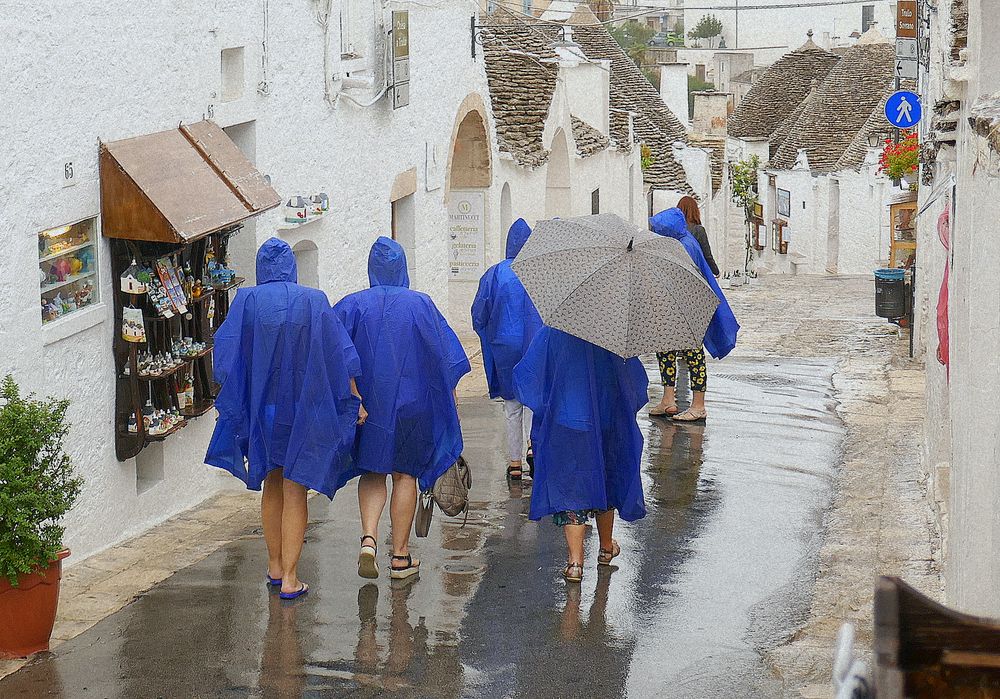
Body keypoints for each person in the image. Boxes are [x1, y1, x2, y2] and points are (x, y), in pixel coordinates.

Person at [206, 238, 364, 600]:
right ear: (292, 266)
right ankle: (292, 577)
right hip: (305, 409)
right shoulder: (314, 300)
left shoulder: (247, 301)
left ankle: (275, 565)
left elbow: (226, 354)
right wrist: (355, 397)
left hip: (265, 410)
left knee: (272, 482)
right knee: (297, 488)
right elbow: (340, 353)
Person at [333, 237, 471, 580]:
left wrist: (354, 399)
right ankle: (400, 556)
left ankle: (368, 539)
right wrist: (449, 397)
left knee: (373, 472)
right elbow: (447, 356)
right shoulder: (420, 304)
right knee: (405, 475)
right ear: (403, 268)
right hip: (413, 407)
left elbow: (333, 355)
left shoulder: (351, 306)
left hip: (368, 407)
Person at [513, 327, 649, 583]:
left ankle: (575, 563)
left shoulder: (553, 331)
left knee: (570, 488)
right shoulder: (615, 333)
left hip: (566, 421)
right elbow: (634, 383)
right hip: (605, 419)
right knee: (605, 479)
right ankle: (606, 548)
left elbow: (529, 375)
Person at [648, 207, 739, 422]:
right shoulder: (683, 241)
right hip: (674, 308)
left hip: (689, 309)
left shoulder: (681, 247)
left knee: (692, 354)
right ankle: (668, 400)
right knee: (666, 350)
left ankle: (698, 405)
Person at [471, 218, 543, 481]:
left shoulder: (495, 273)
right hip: (537, 345)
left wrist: (488, 334)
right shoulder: (539, 271)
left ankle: (514, 461)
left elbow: (479, 312)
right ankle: (534, 447)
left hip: (504, 345)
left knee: (512, 405)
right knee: (534, 401)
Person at [678, 195, 719, 277]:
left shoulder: (674, 229)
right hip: (693, 272)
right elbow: (707, 255)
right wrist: (716, 271)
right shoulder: (698, 230)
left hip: (676, 270)